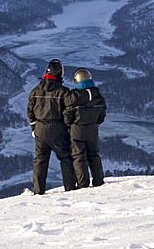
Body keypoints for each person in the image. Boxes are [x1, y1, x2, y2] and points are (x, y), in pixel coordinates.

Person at [27, 59, 77, 194]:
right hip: (57, 128)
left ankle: (38, 191)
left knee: (40, 160)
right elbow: (69, 110)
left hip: (40, 128)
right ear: (60, 73)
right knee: (65, 158)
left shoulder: (35, 90)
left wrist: (33, 127)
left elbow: (30, 110)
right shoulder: (63, 91)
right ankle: (70, 188)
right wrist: (66, 124)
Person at [64, 68, 107, 188]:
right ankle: (98, 181)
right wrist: (95, 123)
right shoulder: (98, 96)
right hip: (93, 129)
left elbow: (67, 115)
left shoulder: (73, 97)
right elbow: (102, 114)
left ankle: (83, 184)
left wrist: (70, 124)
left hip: (77, 130)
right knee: (93, 155)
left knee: (79, 156)